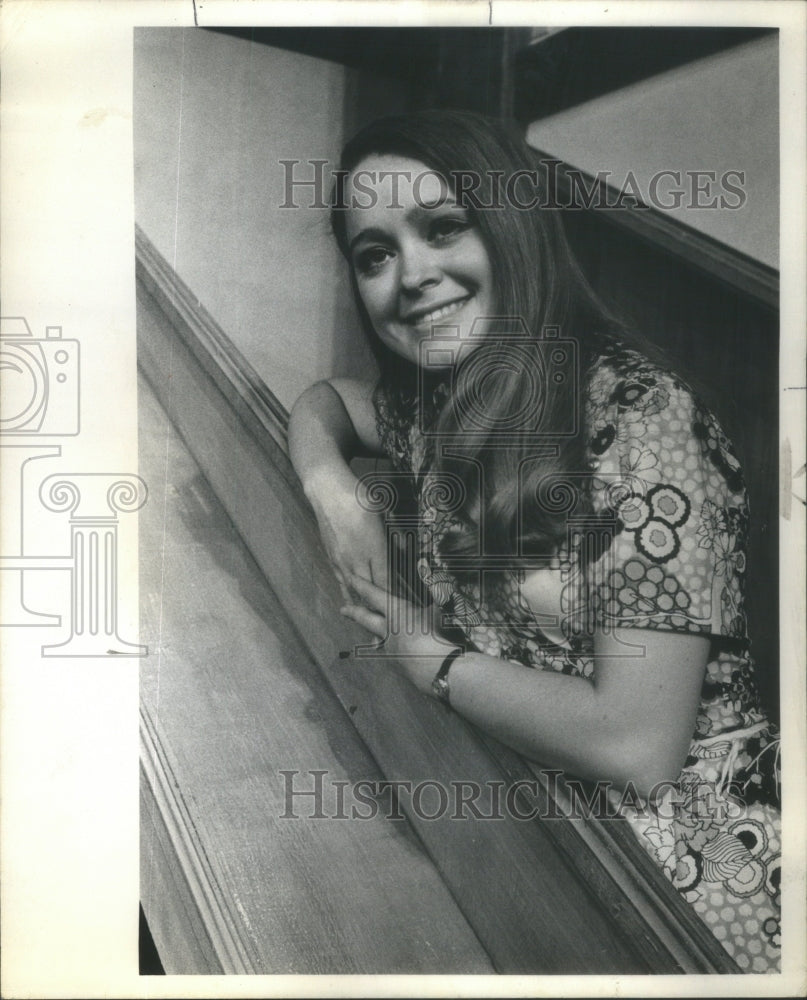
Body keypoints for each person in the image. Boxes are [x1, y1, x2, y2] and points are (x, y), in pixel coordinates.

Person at [287, 110, 781, 972]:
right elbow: (325, 400)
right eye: (374, 254)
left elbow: (635, 746)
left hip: (692, 877)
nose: (410, 275)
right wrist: (330, 486)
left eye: (442, 228)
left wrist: (424, 654)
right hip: (537, 833)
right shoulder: (439, 406)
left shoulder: (639, 412)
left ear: (511, 230)